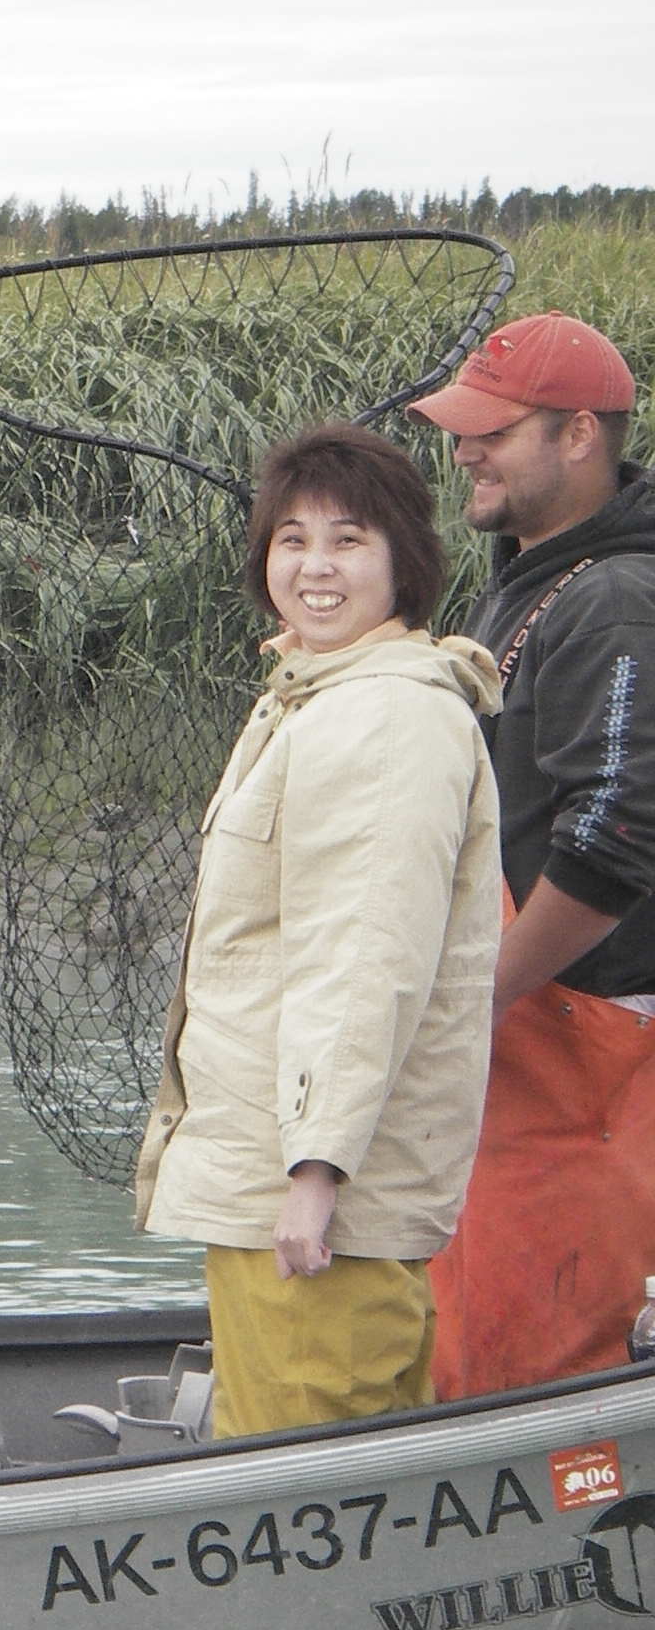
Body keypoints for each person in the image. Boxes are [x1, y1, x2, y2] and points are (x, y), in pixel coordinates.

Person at [135, 426, 502, 1439]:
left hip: (314, 1206)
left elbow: (362, 960)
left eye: (350, 540)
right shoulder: (315, 695)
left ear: (406, 565)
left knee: (304, 1492)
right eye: (292, 540)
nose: (317, 567)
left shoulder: (385, 716)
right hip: (278, 1186)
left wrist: (315, 1175)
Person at [409, 311, 655, 1395]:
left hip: (579, 1042)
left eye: (494, 431)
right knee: (474, 1333)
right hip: (519, 1038)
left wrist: (474, 1002)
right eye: (462, 428)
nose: (465, 450)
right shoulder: (531, 569)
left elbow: (614, 843)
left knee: (546, 1365)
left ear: (580, 438)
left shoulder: (611, 599)